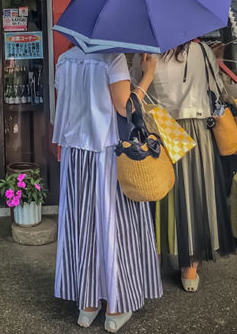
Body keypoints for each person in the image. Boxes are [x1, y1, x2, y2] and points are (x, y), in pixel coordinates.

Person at [53, 47, 162, 333]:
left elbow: (65, 103)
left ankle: (87, 305)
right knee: (115, 226)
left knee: (84, 226)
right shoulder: (112, 59)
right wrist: (147, 75)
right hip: (105, 154)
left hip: (75, 155)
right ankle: (115, 306)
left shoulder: (65, 60)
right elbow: (123, 106)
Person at [132, 41, 236, 293]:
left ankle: (153, 262)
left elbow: (136, 91)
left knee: (157, 195)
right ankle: (189, 268)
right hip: (197, 132)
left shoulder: (145, 51)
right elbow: (217, 89)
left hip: (160, 130)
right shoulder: (202, 50)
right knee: (194, 196)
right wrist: (214, 58)